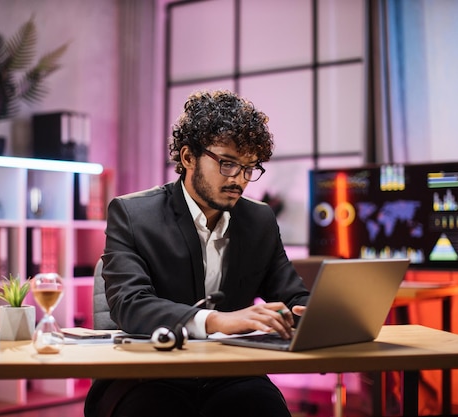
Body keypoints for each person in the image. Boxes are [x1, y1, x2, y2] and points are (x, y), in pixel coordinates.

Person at [84, 89, 310, 417]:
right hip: (148, 373)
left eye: (249, 167)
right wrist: (217, 321)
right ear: (188, 157)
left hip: (230, 373)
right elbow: (130, 304)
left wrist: (311, 315)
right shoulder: (133, 215)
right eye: (228, 164)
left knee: (265, 409)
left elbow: (294, 295)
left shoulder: (258, 220)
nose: (240, 180)